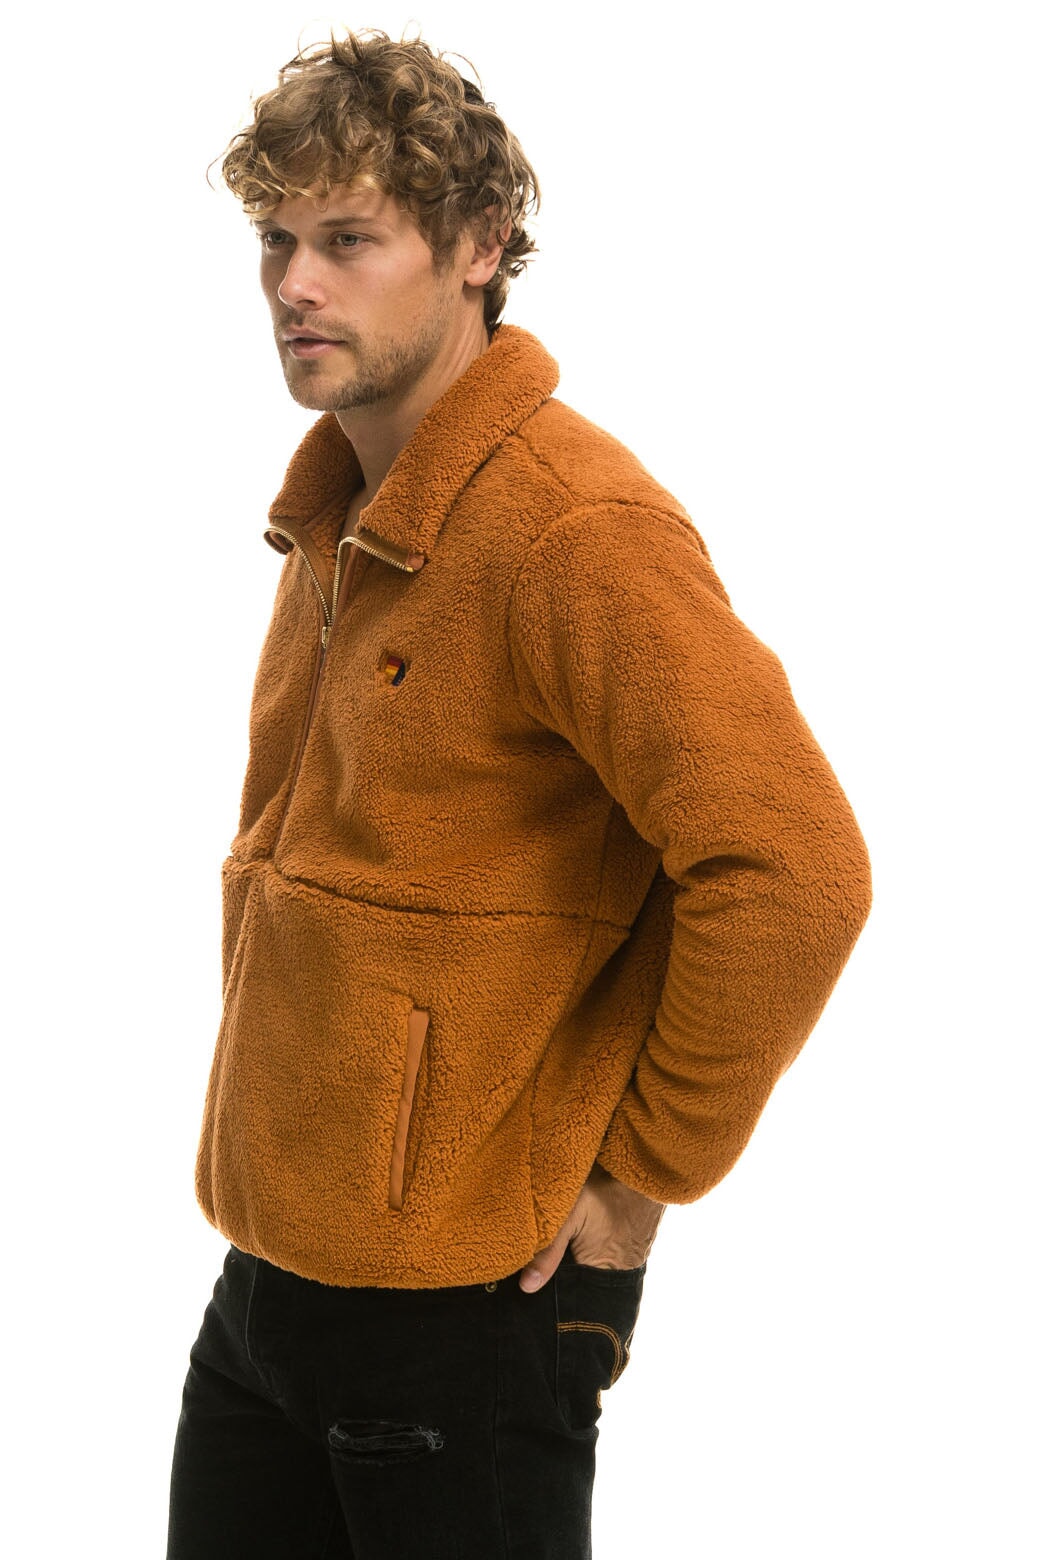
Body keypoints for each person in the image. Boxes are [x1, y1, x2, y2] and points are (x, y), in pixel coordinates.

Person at [167, 28, 872, 1559]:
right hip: (268, 1281)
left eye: (348, 239)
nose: (295, 284)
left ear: (481, 245)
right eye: (275, 239)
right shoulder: (344, 506)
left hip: (467, 1316)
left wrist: (637, 1182)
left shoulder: (571, 529)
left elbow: (792, 865)